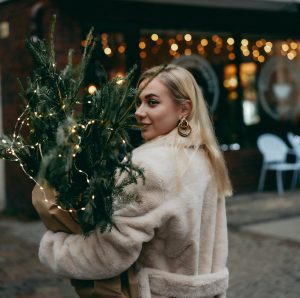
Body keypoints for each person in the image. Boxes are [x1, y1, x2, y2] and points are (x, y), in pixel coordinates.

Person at [39, 64, 232, 298]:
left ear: (183, 109)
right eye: (139, 102)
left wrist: (54, 247)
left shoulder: (147, 166)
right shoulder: (205, 158)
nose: (139, 112)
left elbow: (110, 254)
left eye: (152, 102)